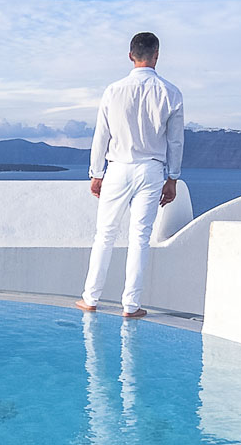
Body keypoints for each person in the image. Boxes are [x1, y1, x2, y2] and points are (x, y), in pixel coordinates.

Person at [77, 31, 185, 318]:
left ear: (130, 55)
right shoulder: (171, 93)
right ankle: (131, 305)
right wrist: (172, 178)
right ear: (157, 55)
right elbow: (175, 141)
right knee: (139, 238)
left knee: (105, 234)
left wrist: (96, 173)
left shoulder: (113, 90)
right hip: (151, 170)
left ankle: (90, 298)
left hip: (117, 168)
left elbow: (101, 135)